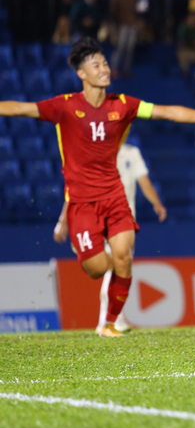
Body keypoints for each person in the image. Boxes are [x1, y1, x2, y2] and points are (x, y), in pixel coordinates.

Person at [0, 37, 195, 337]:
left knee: (124, 256)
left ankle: (108, 323)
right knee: (95, 268)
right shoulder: (64, 107)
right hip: (81, 203)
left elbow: (167, 112)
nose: (104, 68)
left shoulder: (123, 105)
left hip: (114, 197)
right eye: (96, 65)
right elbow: (19, 108)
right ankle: (90, 253)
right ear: (82, 74)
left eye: (105, 63)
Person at [53, 137, 168, 334]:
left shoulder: (131, 153)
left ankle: (111, 319)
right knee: (113, 267)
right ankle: (109, 320)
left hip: (123, 217)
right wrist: (63, 221)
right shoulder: (94, 153)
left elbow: (144, 181)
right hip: (97, 216)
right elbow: (75, 189)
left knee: (118, 266)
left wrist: (156, 203)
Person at [109, 0, 138, 78]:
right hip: (121, 25)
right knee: (120, 48)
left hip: (132, 25)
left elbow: (137, 11)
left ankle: (126, 69)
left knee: (130, 48)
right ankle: (114, 69)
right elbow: (113, 11)